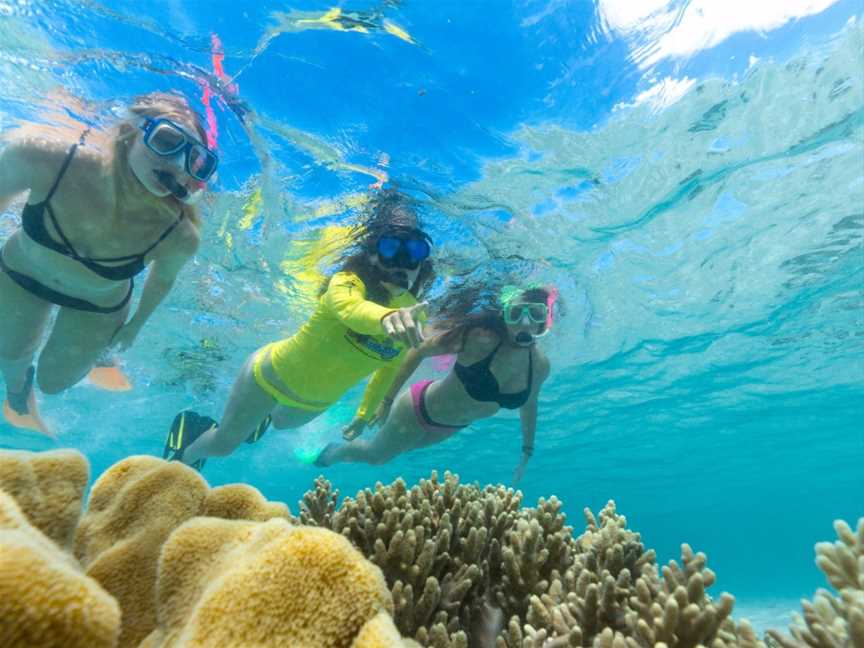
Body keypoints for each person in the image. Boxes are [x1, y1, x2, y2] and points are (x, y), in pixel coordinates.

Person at [164, 191, 435, 470]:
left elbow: (390, 365)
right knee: (225, 445)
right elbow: (352, 311)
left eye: (415, 252)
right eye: (390, 248)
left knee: (280, 423)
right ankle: (182, 456)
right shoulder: (347, 282)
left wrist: (366, 412)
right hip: (269, 376)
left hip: (314, 402)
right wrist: (387, 317)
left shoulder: (415, 312)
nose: (402, 262)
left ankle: (255, 419)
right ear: (370, 254)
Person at [0, 91, 218, 435]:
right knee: (11, 358)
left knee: (55, 382)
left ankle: (102, 358)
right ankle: (18, 399)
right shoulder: (44, 158)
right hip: (20, 274)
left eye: (195, 159)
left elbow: (162, 281)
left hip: (97, 304)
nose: (178, 164)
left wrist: (134, 326)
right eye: (167, 141)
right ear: (131, 133)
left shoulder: (178, 234)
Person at [314, 284, 555, 484]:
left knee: (398, 450)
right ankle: (331, 453)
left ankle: (343, 447)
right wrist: (386, 401)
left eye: (535, 314)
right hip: (417, 409)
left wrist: (527, 450)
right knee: (376, 456)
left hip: (449, 428)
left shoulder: (540, 365)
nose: (525, 323)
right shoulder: (480, 338)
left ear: (545, 320)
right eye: (516, 313)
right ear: (503, 314)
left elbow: (529, 405)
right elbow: (418, 351)